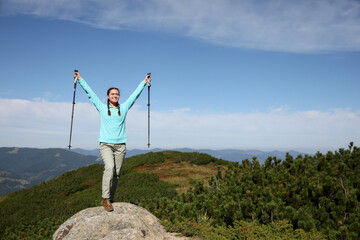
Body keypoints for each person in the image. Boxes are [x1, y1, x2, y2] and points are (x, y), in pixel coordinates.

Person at [74, 71, 151, 212]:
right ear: (108, 96)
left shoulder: (124, 107)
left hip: (121, 145)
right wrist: (80, 79)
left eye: (117, 94)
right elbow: (90, 93)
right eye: (112, 94)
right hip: (106, 144)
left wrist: (144, 82)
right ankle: (105, 198)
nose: (115, 96)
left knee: (116, 174)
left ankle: (111, 198)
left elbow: (135, 95)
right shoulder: (102, 107)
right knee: (109, 168)